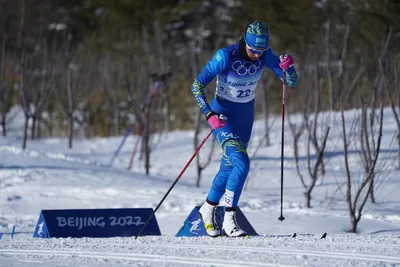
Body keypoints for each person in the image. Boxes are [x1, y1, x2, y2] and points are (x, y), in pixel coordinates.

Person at [191, 20, 298, 237]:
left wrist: (290, 68)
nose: (257, 55)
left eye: (261, 51)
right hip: (222, 114)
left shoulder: (266, 54)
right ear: (244, 42)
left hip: (245, 116)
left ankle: (208, 208)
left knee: (229, 167)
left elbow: (291, 82)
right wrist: (209, 114)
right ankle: (230, 219)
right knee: (242, 162)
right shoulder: (225, 56)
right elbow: (197, 85)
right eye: (253, 50)